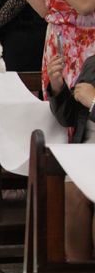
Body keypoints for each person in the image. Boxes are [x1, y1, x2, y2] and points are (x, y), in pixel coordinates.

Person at [48, 55, 95, 260]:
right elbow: (70, 117)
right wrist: (58, 88)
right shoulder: (92, 64)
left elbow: (89, 101)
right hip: (86, 155)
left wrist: (94, 103)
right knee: (70, 192)